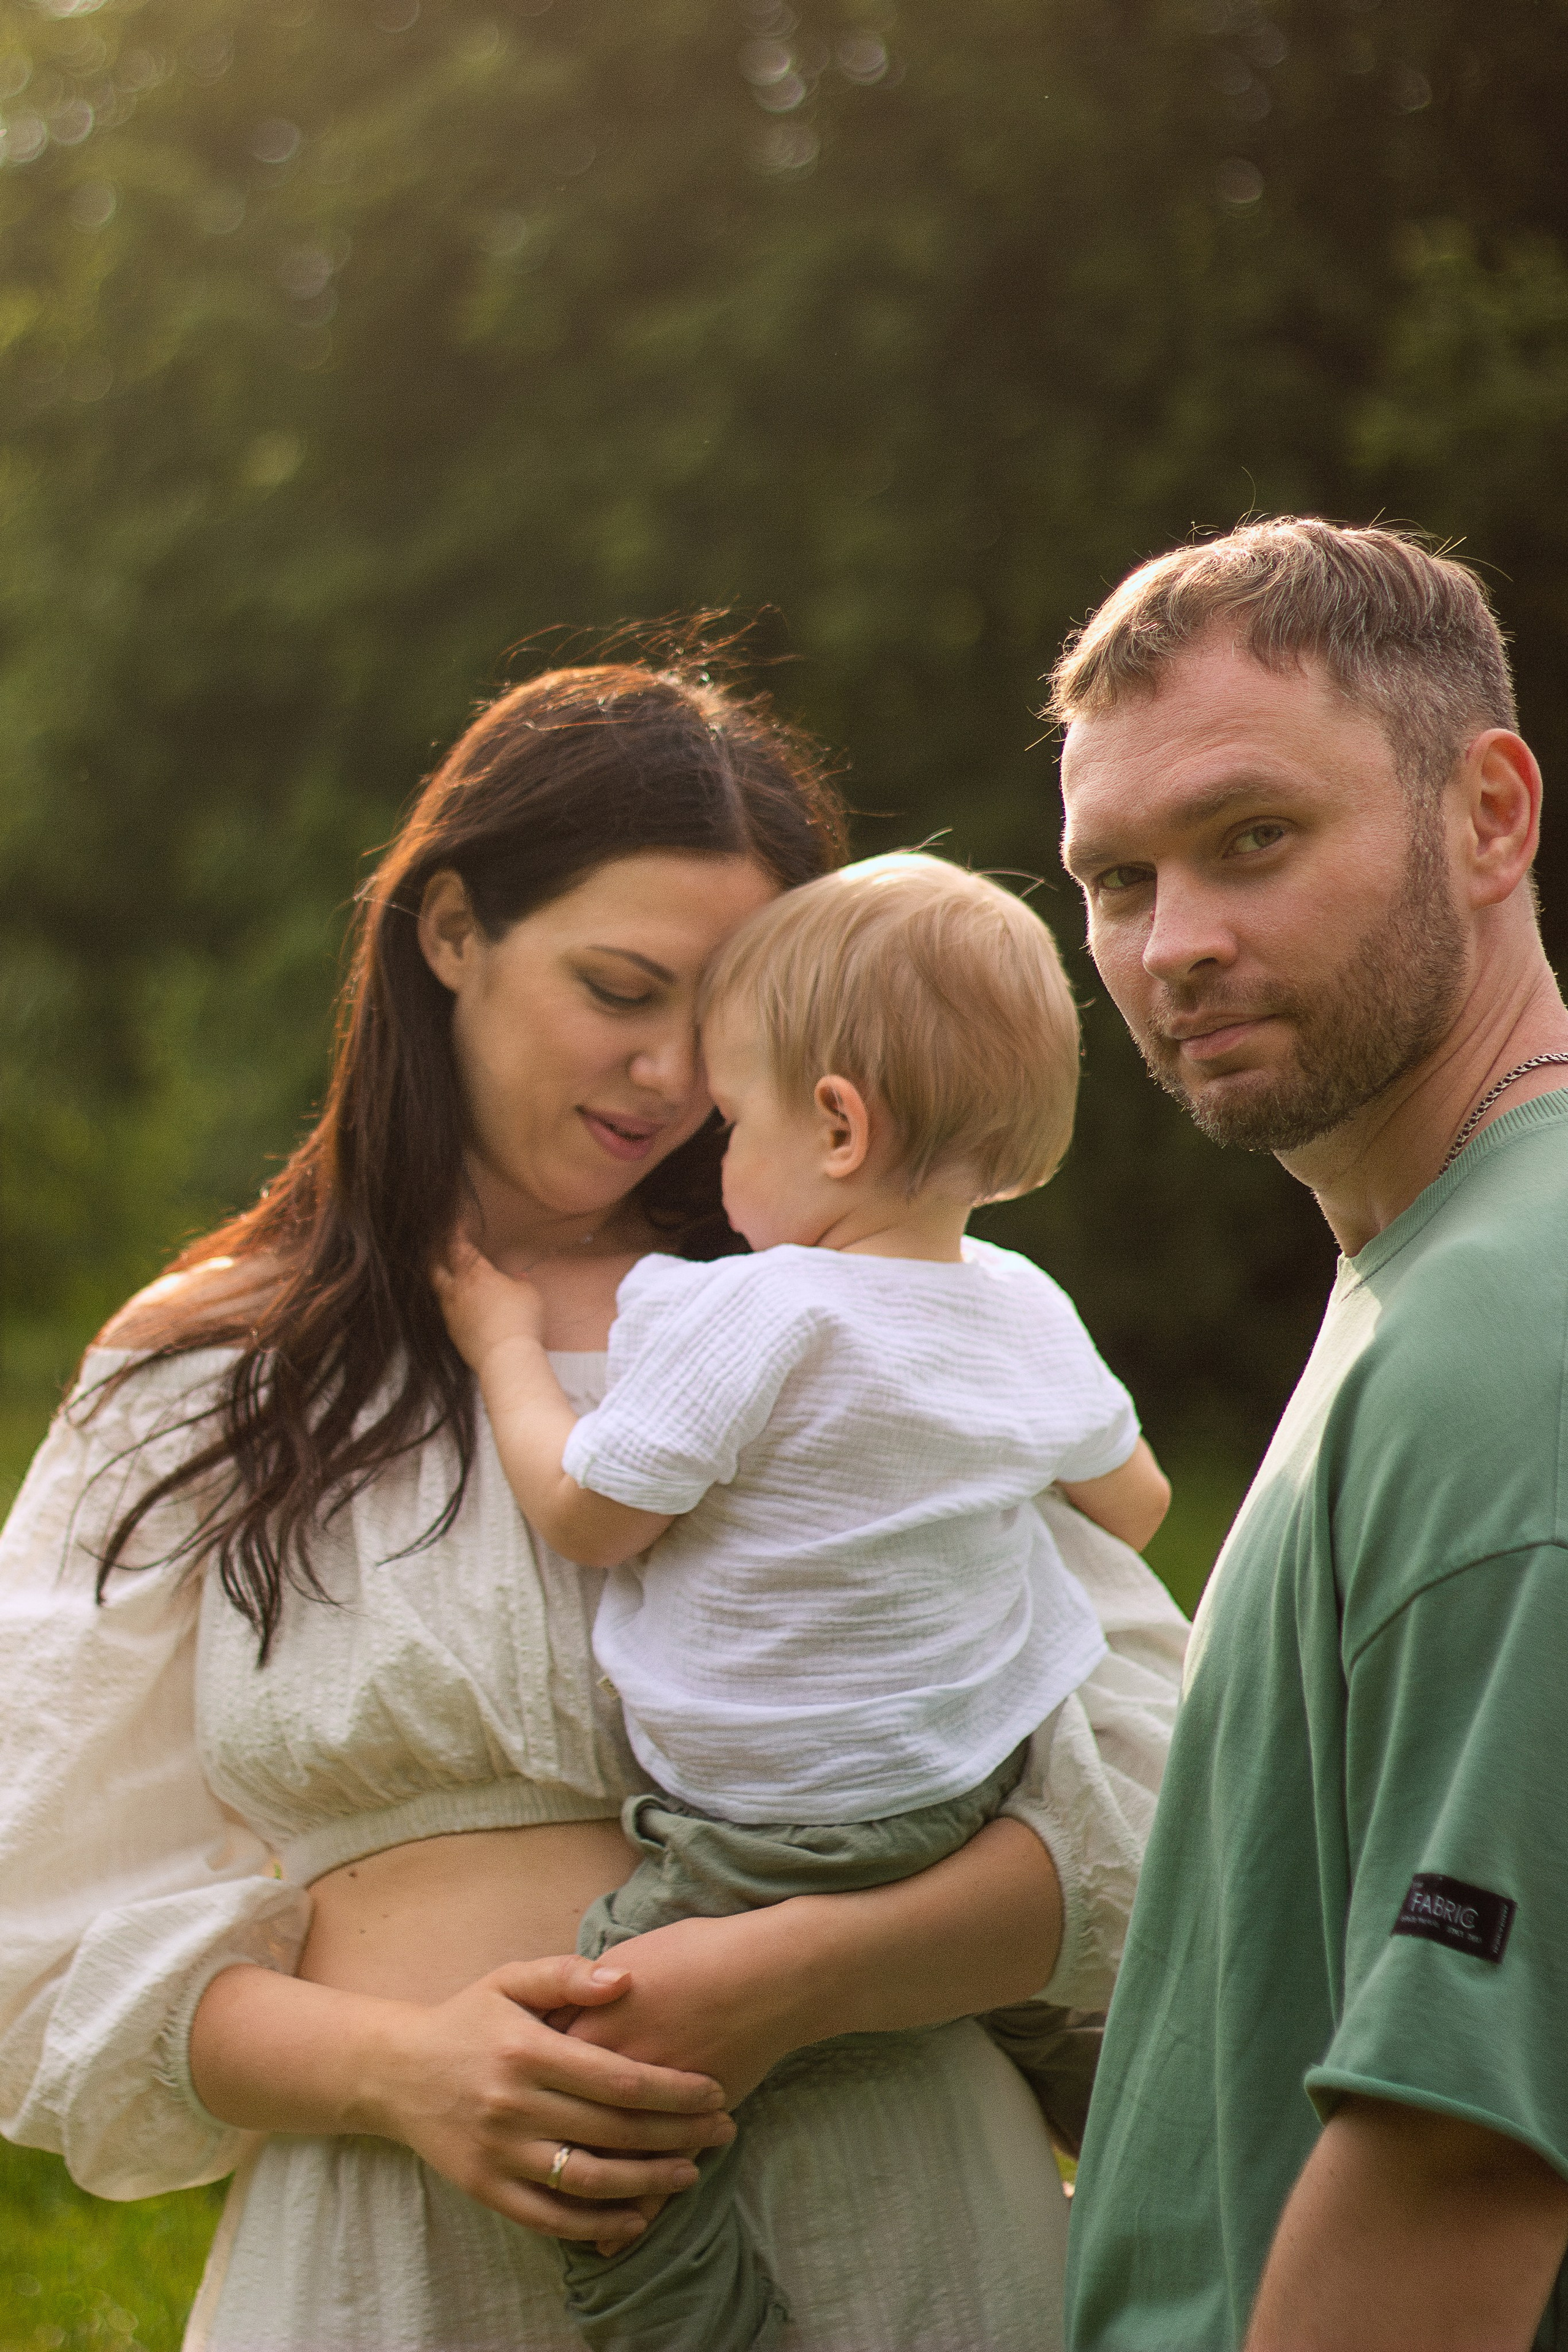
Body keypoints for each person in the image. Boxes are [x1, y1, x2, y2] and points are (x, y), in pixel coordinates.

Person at [0, 652, 1187, 2352]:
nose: (668, 1079)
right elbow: (35, 1927)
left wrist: (792, 1983)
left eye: (720, 1020)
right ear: (453, 931)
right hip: (400, 2264)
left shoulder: (873, 1324)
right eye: (619, 988)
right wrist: (405, 2072)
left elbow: (1148, 1799)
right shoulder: (211, 1369)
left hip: (892, 2231)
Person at [434, 851, 1172, 2351]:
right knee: (1093, 2042)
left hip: (755, 1835)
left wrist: (506, 1349)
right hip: (959, 1802)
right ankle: (1202, 2185)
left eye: (733, 1118)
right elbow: (1138, 1503)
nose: (712, 1158)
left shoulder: (751, 1311)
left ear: (834, 1124)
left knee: (599, 2111)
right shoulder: (1021, 1307)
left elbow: (585, 1513)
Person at [1050, 518, 1568, 2351]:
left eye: (1253, 840)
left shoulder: (1516, 1332)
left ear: (1490, 816)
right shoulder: (1430, 1277)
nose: (1177, 945)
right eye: (1117, 881)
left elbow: (1463, 2151)